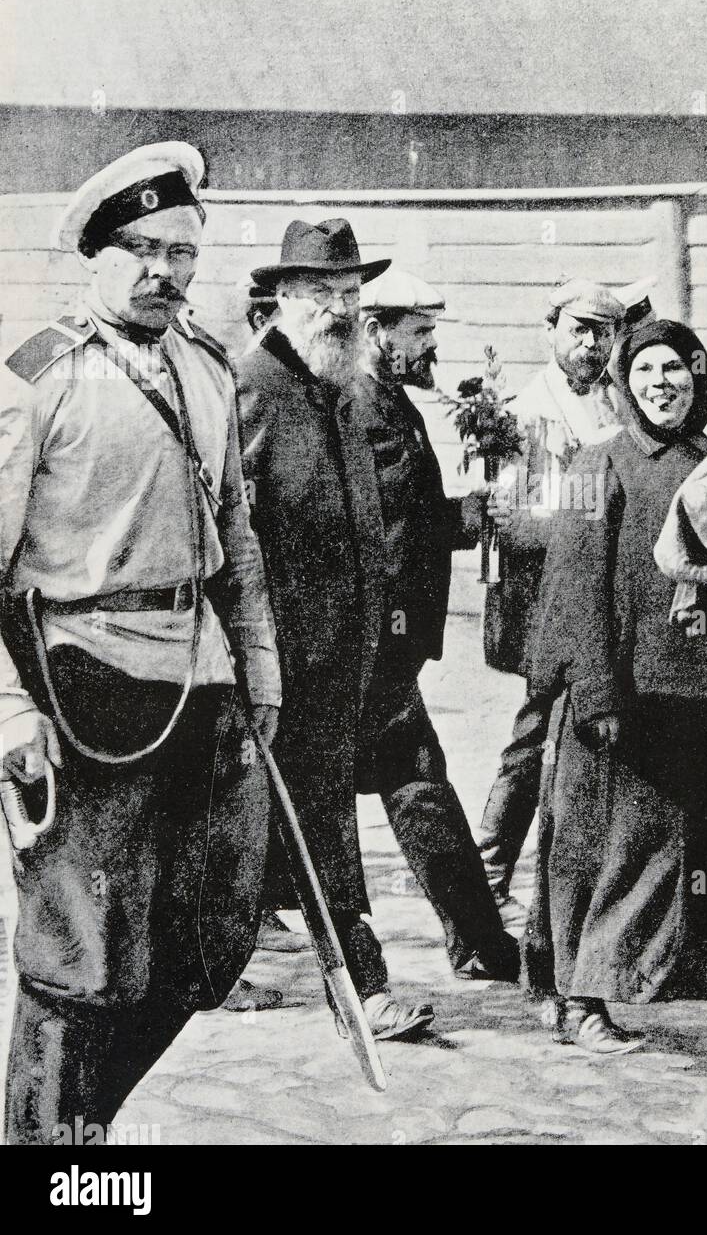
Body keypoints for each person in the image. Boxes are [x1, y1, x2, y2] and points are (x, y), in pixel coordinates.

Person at [0, 142, 280, 1143]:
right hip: (85, 683)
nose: (168, 271)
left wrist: (261, 666)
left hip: (201, 677)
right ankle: (53, 1153)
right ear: (95, 255)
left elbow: (237, 540)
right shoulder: (38, 379)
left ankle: (83, 1121)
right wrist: (8, 714)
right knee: (80, 960)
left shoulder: (206, 368)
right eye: (146, 249)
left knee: (207, 942)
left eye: (184, 253)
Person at [237, 223, 449, 1040]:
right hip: (280, 662)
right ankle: (363, 990)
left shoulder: (344, 388)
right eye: (321, 295)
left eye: (352, 295)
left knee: (295, 823)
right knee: (314, 829)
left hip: (344, 659)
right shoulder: (252, 390)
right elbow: (231, 535)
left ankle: (211, 970)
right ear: (282, 301)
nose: (340, 310)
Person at [524, 318, 707, 1055]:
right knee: (594, 847)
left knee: (663, 848)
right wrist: (594, 696)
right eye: (646, 370)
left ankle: (627, 982)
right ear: (624, 383)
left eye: (676, 370)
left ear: (698, 378)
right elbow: (575, 587)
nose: (661, 384)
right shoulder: (600, 463)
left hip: (697, 693)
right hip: (621, 697)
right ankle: (577, 1000)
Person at [352, 266, 521, 983]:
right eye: (419, 334)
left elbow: (404, 517)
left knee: (413, 784)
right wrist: (460, 517)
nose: (430, 349)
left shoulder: (387, 401)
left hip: (382, 646)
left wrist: (460, 515)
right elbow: (385, 531)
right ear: (374, 333)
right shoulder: (366, 407)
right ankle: (475, 940)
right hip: (371, 646)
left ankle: (477, 939)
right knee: (413, 783)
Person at [479, 279, 625, 926]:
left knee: (558, 736)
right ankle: (487, 875)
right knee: (538, 733)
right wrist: (586, 525)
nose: (592, 344)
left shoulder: (619, 402)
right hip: (546, 602)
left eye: (604, 332)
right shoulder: (522, 411)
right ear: (551, 331)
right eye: (579, 329)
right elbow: (507, 522)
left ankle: (541, 881)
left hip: (606, 604)